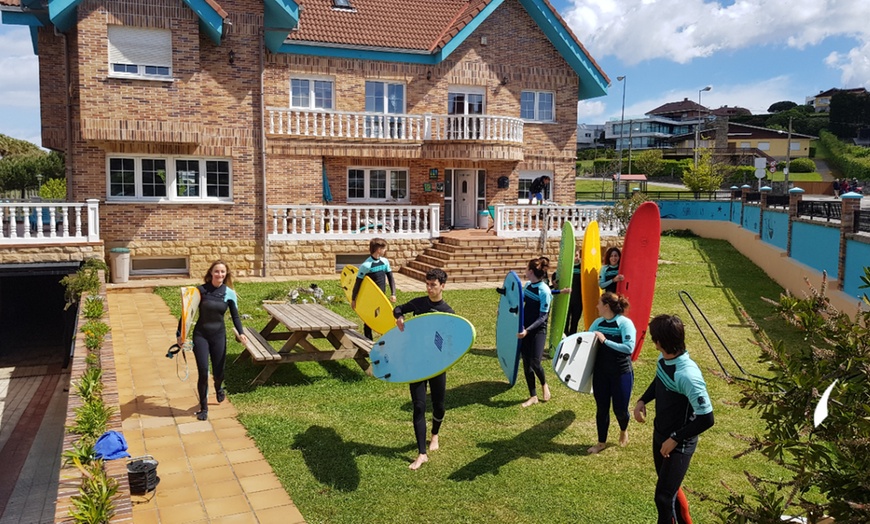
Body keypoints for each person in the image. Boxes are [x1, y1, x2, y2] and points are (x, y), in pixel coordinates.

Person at [633, 314, 714, 524]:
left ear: (659, 342)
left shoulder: (687, 375)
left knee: (663, 497)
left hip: (679, 444)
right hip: (661, 435)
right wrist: (643, 399)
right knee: (670, 489)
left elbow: (707, 418)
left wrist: (676, 438)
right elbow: (660, 378)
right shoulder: (665, 359)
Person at [392, 268, 454, 470]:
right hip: (416, 363)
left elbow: (450, 342)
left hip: (436, 365)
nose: (429, 288)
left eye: (433, 285)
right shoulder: (419, 303)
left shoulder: (448, 312)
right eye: (427, 284)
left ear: (442, 286)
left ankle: (434, 435)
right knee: (418, 406)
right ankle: (421, 453)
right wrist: (399, 317)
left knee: (439, 405)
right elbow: (398, 308)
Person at [176, 260, 248, 421]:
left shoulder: (229, 293)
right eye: (217, 271)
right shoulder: (200, 291)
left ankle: (218, 387)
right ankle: (203, 408)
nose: (219, 274)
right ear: (211, 273)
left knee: (219, 372)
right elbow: (186, 313)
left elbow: (235, 316)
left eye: (222, 272)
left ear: (226, 274)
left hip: (218, 336)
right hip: (201, 335)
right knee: (203, 372)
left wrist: (241, 333)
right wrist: (180, 335)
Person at [587, 292, 636, 454]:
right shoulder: (597, 323)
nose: (597, 306)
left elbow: (629, 348)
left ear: (606, 306)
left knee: (620, 410)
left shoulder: (624, 324)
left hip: (621, 372)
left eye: (599, 304)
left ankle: (623, 429)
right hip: (601, 373)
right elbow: (586, 342)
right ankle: (601, 442)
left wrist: (605, 341)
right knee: (602, 408)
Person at [518, 257, 554, 407]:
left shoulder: (544, 290)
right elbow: (519, 304)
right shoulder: (527, 286)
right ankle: (533, 396)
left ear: (531, 271)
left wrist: (528, 330)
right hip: (525, 329)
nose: (525, 271)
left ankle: (544, 385)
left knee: (535, 362)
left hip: (538, 331)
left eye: (527, 268)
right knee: (526, 363)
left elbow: (543, 317)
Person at [351, 237, 397, 339]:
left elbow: (390, 278)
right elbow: (357, 283)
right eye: (384, 248)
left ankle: (385, 339)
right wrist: (353, 299)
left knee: (383, 318)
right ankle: (368, 340)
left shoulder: (385, 262)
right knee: (370, 319)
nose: (385, 250)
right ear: (379, 250)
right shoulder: (366, 265)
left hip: (382, 296)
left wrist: (393, 293)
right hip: (370, 298)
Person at [565, 254, 583, 335]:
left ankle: (572, 338)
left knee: (574, 322)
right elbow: (557, 276)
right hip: (567, 299)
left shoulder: (582, 267)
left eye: (577, 255)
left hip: (578, 299)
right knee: (565, 322)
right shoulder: (566, 266)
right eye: (574, 255)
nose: (576, 257)